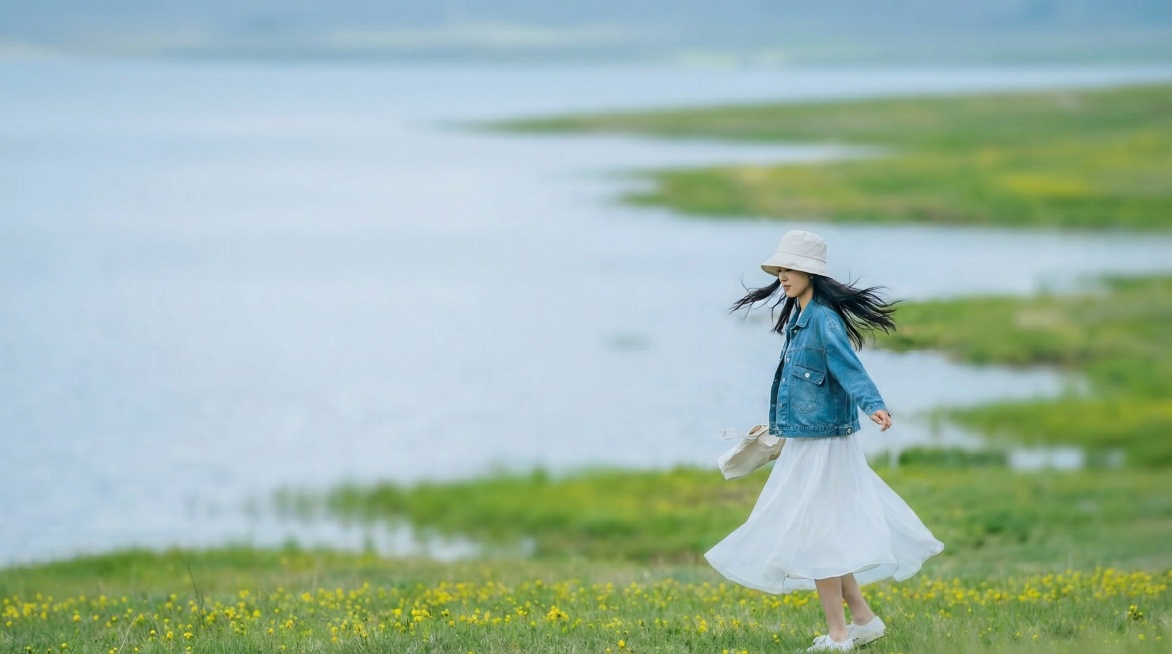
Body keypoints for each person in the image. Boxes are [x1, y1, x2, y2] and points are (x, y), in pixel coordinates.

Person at [704, 230, 944, 652]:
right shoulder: (800, 317)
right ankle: (864, 621)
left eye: (790, 269)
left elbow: (847, 365)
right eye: (780, 269)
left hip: (824, 442)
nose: (782, 276)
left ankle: (838, 636)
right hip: (806, 438)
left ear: (811, 272)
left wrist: (873, 404)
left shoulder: (823, 319)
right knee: (822, 531)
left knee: (816, 535)